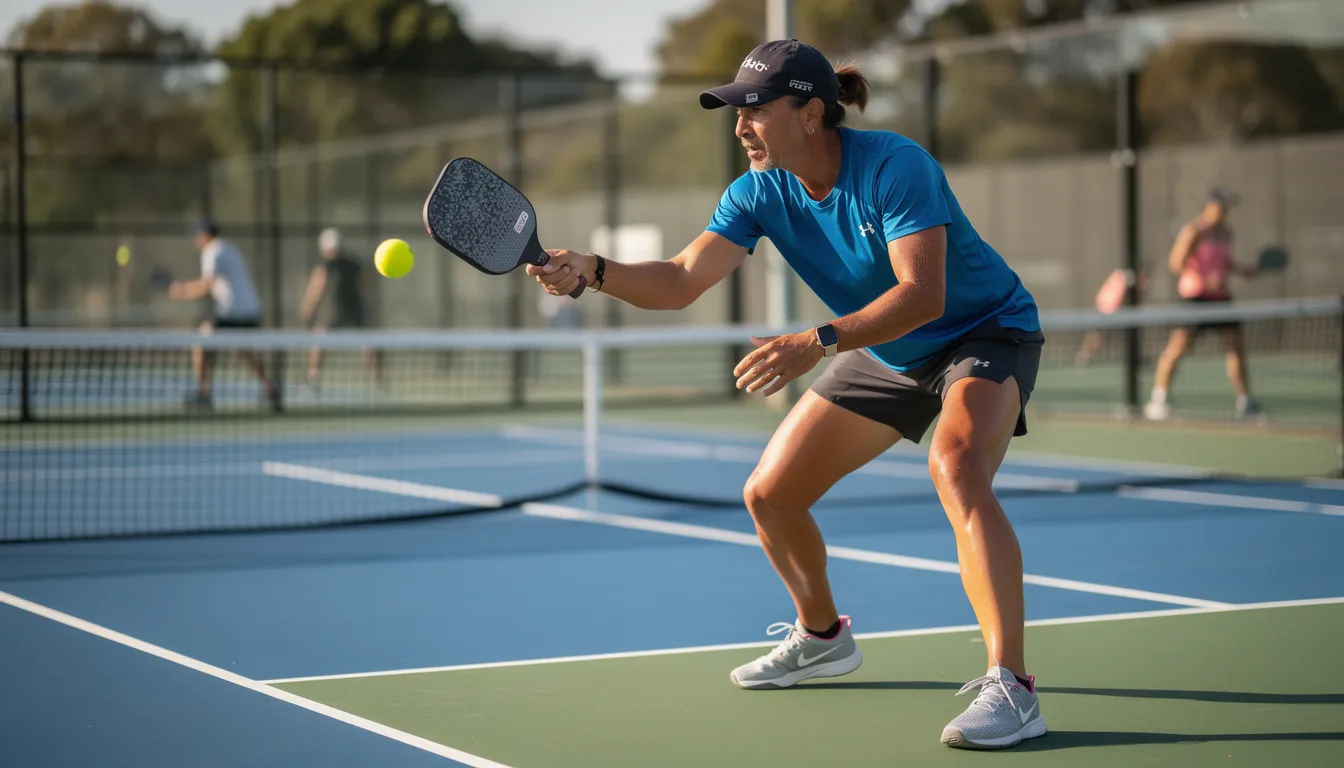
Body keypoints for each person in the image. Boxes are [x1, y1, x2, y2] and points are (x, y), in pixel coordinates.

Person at [529, 40, 1046, 750]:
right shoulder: (757, 191)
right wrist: (592, 270)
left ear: (809, 113)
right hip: (885, 351)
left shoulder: (895, 166)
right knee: (770, 495)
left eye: (755, 111)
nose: (741, 127)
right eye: (736, 112)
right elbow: (680, 280)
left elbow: (924, 295)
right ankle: (823, 637)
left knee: (956, 467)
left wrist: (817, 341)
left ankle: (1012, 688)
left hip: (982, 333)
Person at [1143, 189, 1261, 421]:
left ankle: (1245, 401)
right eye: (1221, 206)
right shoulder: (1194, 231)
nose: (1225, 211)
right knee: (1178, 348)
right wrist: (1206, 280)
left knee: (1236, 349)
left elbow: (1225, 263)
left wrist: (1244, 271)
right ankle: (1158, 399)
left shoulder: (1226, 233)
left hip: (1221, 299)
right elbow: (1176, 263)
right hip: (1195, 299)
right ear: (1209, 206)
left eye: (1227, 207)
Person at [167, 220, 277, 410]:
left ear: (204, 235)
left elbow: (206, 284)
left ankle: (203, 394)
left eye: (197, 235)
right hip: (250, 311)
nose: (195, 240)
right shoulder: (229, 248)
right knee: (245, 352)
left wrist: (181, 291)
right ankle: (271, 389)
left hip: (232, 313)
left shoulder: (213, 251)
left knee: (200, 343)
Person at [298, 228, 383, 390]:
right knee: (319, 343)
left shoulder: (329, 267)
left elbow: (317, 289)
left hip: (346, 312)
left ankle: (377, 381)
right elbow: (366, 285)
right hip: (339, 313)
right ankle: (314, 378)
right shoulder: (347, 265)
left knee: (367, 345)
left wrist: (307, 309)